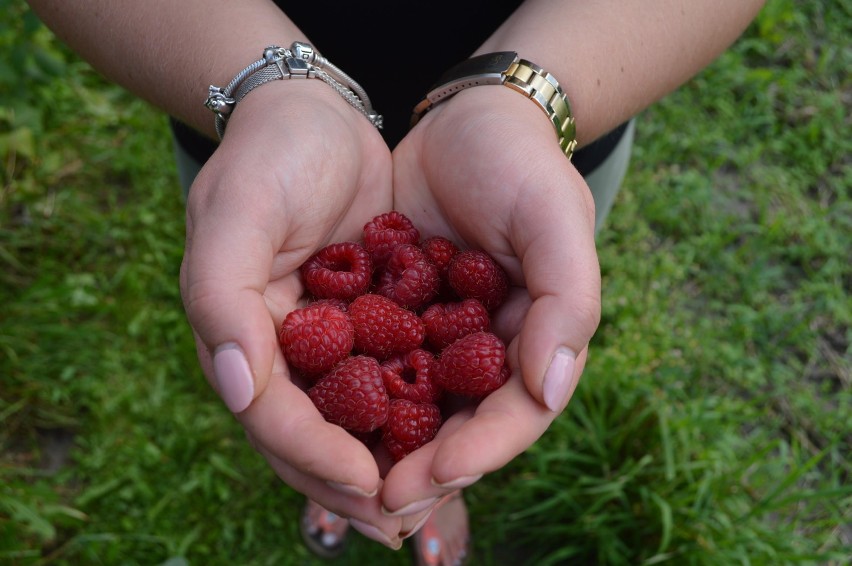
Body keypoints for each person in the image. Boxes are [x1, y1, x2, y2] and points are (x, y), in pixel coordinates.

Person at [26, 1, 766, 563]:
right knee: (271, 296)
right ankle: (366, 496)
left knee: (511, 313)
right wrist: (271, 97)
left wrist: (527, 103)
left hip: (557, 103)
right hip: (234, 94)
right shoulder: (385, 301)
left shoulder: (441, 288)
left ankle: (432, 496)